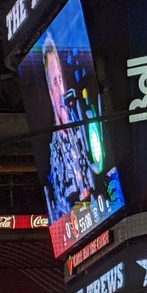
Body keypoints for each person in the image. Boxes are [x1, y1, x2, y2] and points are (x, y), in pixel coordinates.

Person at [42, 33, 95, 223]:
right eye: (55, 83)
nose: (61, 88)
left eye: (60, 79)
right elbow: (62, 211)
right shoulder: (54, 157)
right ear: (50, 93)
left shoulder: (81, 121)